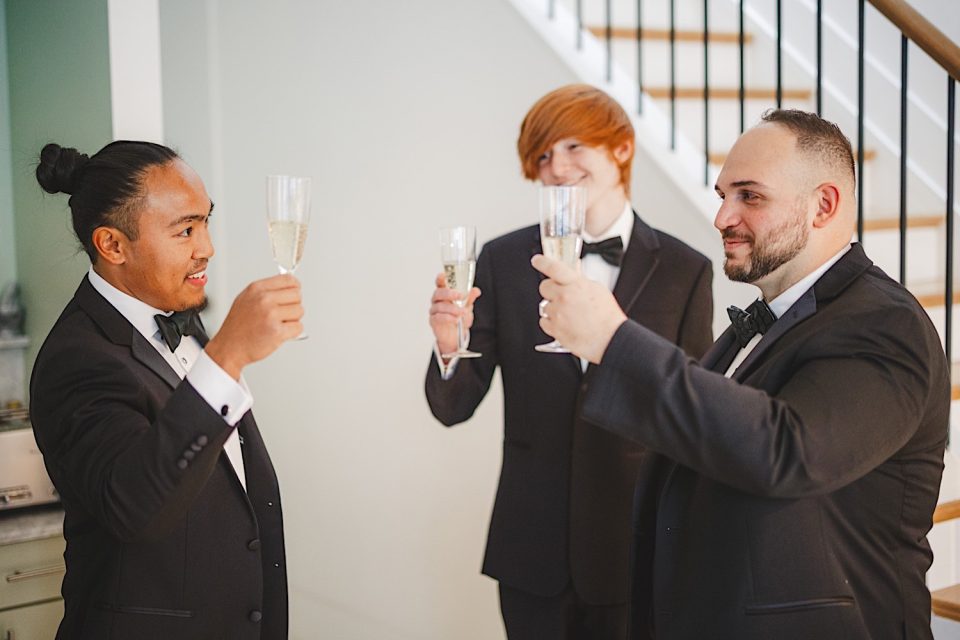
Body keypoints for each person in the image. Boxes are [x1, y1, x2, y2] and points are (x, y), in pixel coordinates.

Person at [531, 109, 949, 639]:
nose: (722, 216)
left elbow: (787, 449)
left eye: (749, 196)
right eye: (723, 194)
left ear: (824, 205)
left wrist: (614, 341)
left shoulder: (886, 324)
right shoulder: (763, 318)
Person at [425, 84, 714, 639]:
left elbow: (692, 415)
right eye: (542, 156)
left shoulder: (686, 270)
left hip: (635, 548)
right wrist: (446, 346)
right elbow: (454, 406)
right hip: (530, 550)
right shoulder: (503, 259)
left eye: (574, 147)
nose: (556, 167)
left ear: (622, 149)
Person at [30, 140, 302, 640]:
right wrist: (228, 356)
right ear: (112, 245)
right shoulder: (77, 358)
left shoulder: (181, 317)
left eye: (205, 221)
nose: (208, 247)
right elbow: (136, 508)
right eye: (186, 229)